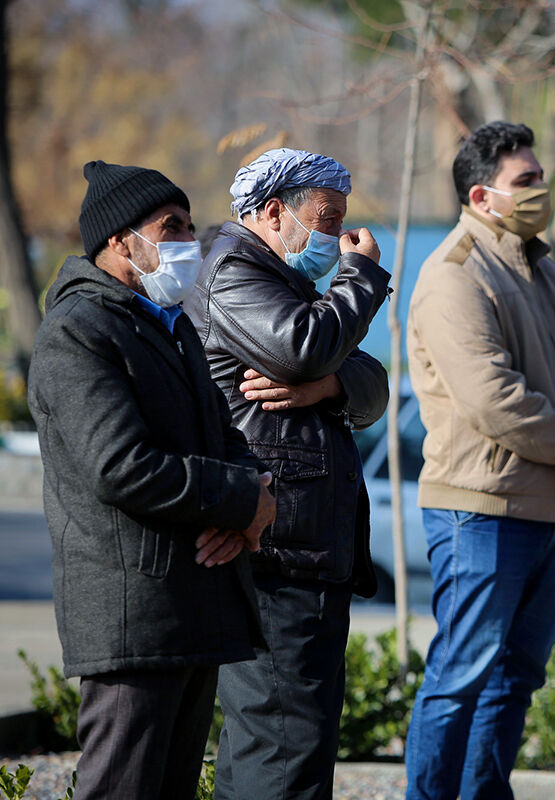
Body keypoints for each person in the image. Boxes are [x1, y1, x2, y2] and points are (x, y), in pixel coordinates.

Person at [27, 161, 276, 800]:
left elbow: (226, 438)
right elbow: (120, 467)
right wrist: (240, 499)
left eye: (191, 228)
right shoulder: (79, 330)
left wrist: (246, 503)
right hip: (132, 614)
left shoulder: (168, 325)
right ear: (118, 241)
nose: (187, 244)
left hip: (190, 604)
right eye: (171, 228)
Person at [404, 121, 555, 800]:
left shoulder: (541, 265)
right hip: (479, 512)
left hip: (543, 510)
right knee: (461, 677)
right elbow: (492, 398)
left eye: (540, 177)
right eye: (525, 182)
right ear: (482, 195)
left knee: (514, 681)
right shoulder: (454, 276)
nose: (542, 191)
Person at [183, 147, 390, 800]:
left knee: (283, 751)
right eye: (327, 219)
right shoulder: (234, 271)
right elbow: (302, 345)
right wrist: (359, 277)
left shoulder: (286, 283)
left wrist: (326, 384)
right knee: (282, 754)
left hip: (305, 553)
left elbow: (372, 384)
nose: (338, 237)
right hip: (275, 553)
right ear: (274, 212)